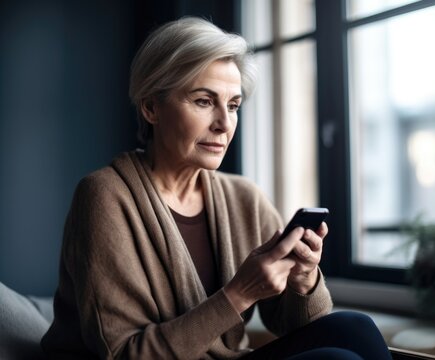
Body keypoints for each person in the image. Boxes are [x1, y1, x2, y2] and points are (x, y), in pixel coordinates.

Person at [41, 17, 392, 360]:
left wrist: (303, 280)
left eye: (234, 105)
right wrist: (238, 294)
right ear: (151, 107)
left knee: (355, 329)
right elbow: (123, 353)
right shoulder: (104, 197)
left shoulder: (244, 198)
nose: (225, 124)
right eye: (204, 101)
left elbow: (298, 326)